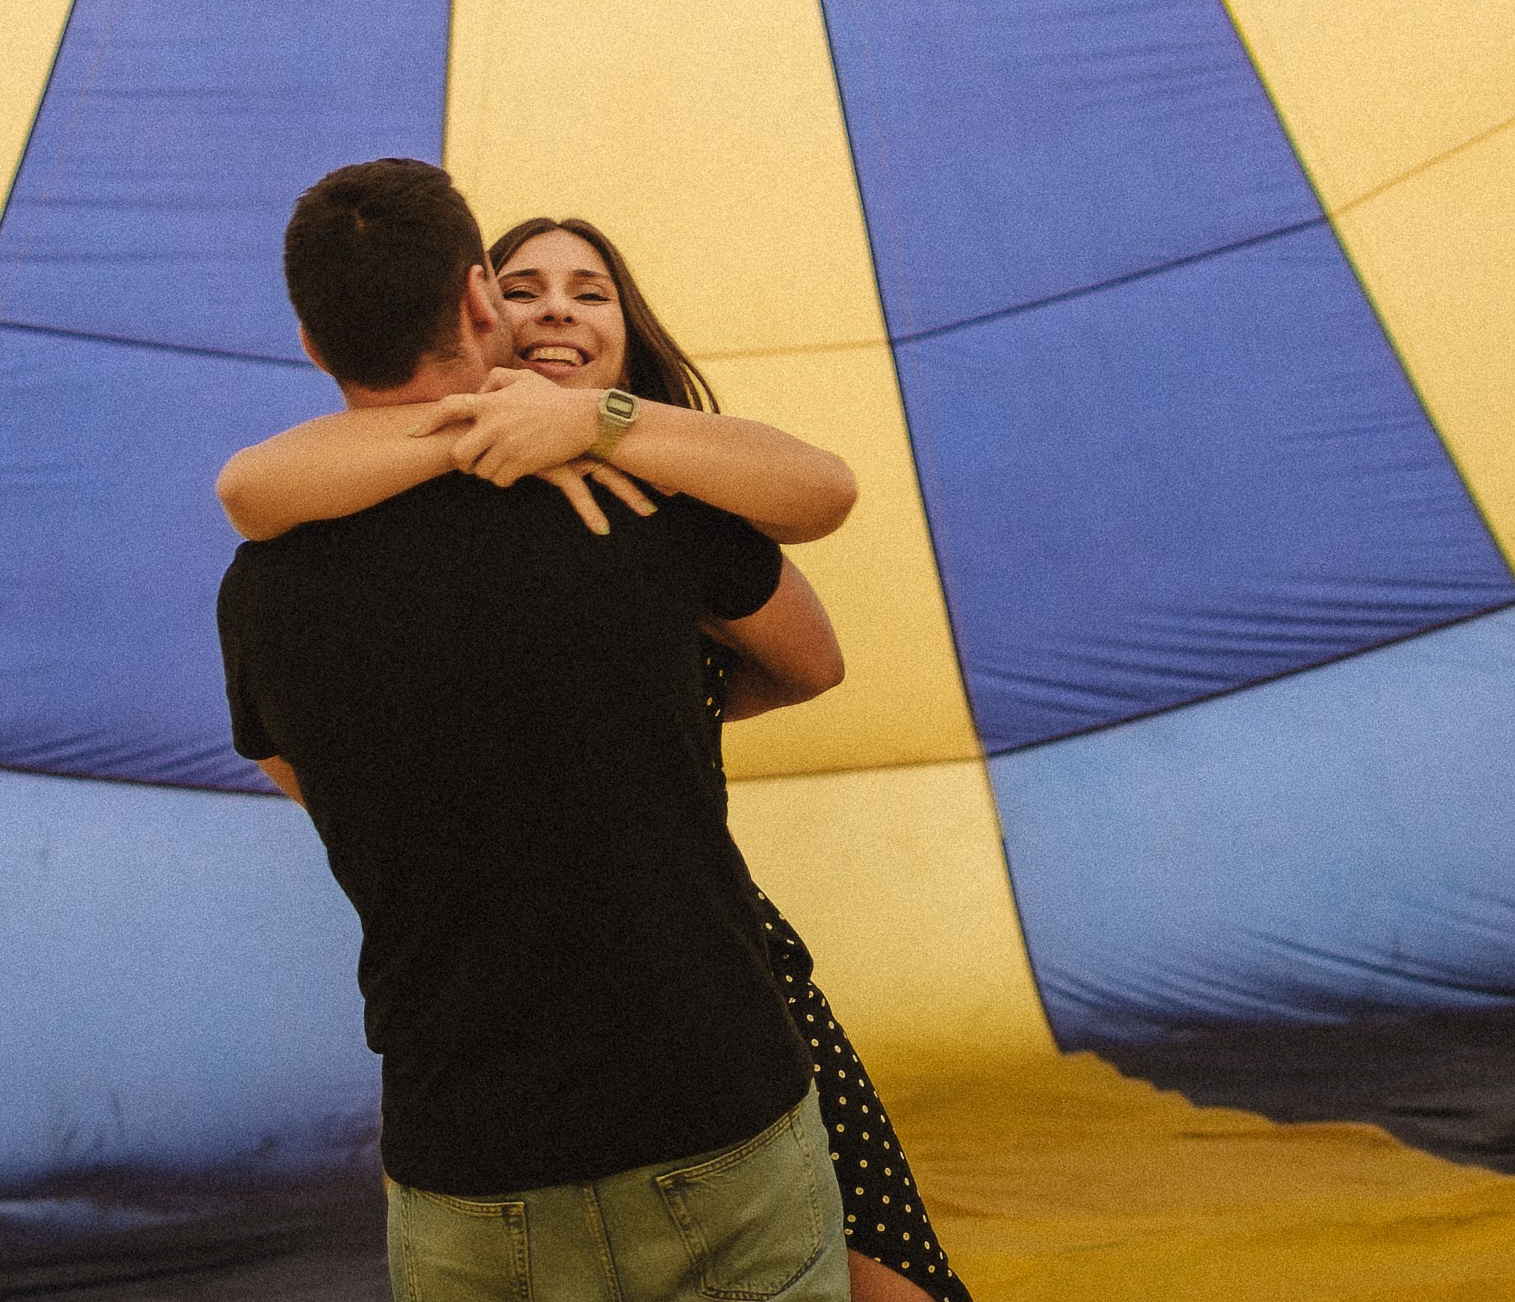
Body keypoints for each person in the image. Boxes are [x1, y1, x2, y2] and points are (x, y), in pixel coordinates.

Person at [221, 210, 974, 1302]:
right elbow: (249, 486)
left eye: (591, 289)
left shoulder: (656, 486)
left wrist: (602, 431)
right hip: (684, 1071)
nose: (557, 309)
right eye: (524, 288)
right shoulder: (361, 505)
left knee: (898, 1283)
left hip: (697, 992)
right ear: (477, 311)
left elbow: (823, 520)